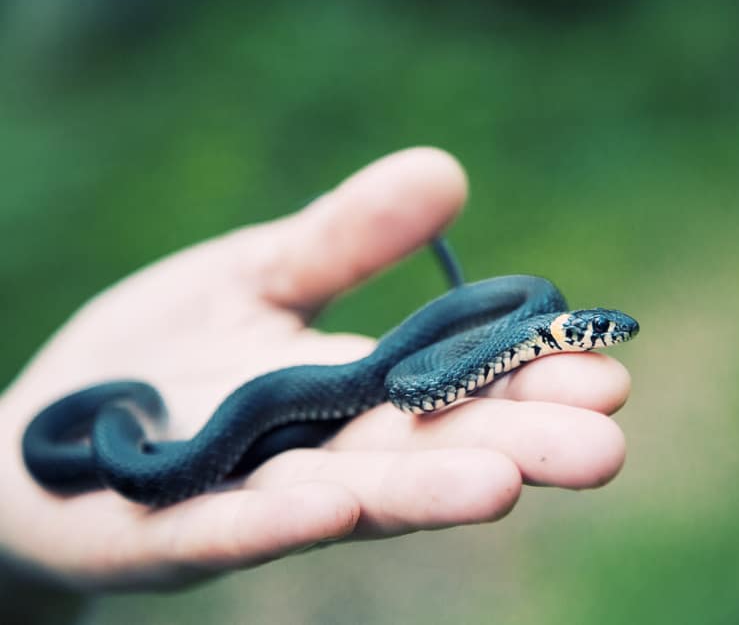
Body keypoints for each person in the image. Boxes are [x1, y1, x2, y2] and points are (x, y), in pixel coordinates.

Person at [0, 148, 631, 623]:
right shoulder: (485, 343)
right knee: (215, 421)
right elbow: (409, 381)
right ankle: (128, 417)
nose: (609, 334)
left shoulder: (528, 314)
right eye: (600, 331)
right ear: (562, 333)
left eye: (600, 331)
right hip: (119, 443)